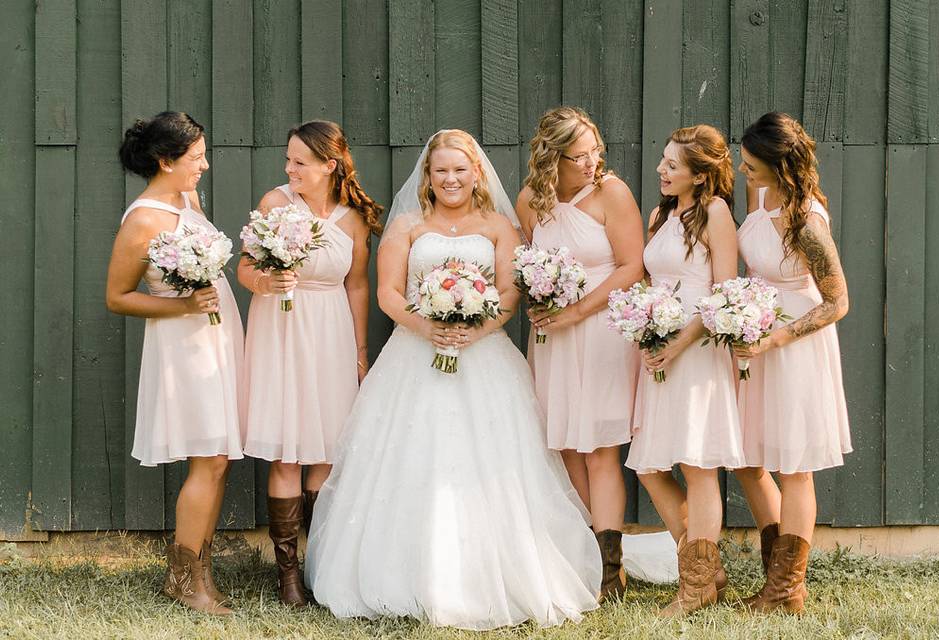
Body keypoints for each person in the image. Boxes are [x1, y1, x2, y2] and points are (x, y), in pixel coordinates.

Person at [303, 130, 601, 629]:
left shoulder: (501, 227)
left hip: (484, 355)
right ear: (428, 176)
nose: (450, 179)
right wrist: (429, 327)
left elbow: (508, 295)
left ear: (477, 173)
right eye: (441, 170)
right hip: (413, 355)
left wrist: (472, 331)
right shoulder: (407, 225)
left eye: (459, 169)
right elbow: (389, 294)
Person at [239, 120, 382, 606]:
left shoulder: (354, 218)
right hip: (280, 328)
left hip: (331, 331)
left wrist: (360, 351)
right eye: (288, 160)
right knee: (286, 449)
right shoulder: (275, 204)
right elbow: (244, 266)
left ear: (330, 165)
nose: (290, 169)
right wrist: (264, 282)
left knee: (325, 450)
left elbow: (357, 284)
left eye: (300, 162)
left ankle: (321, 566)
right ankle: (288, 576)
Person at [106, 111, 243, 615]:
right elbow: (118, 297)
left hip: (217, 334)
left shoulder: (186, 199)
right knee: (207, 457)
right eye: (196, 157)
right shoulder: (142, 219)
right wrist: (181, 305)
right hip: (184, 342)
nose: (204, 165)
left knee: (220, 455)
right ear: (165, 160)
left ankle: (198, 571)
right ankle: (186, 582)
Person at [516, 106, 645, 600]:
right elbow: (526, 262)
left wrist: (577, 311)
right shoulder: (531, 200)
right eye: (579, 156)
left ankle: (610, 574)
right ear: (552, 158)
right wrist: (540, 295)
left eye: (596, 152)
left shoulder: (611, 193)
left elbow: (632, 266)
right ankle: (587, 556)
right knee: (566, 444)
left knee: (599, 449)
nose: (591, 163)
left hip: (601, 330)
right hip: (553, 337)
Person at [624, 124, 745, 616]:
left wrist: (678, 343)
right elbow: (654, 281)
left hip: (696, 351)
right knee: (651, 465)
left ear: (700, 175)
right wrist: (645, 329)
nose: (661, 170)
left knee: (697, 467)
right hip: (659, 349)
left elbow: (723, 292)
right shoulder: (659, 214)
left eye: (673, 165)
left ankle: (694, 588)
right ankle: (703, 565)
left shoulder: (715, 214)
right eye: (663, 160)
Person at [733, 111, 851, 614]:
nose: (743, 170)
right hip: (755, 334)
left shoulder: (806, 221)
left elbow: (837, 302)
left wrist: (776, 339)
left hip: (794, 347)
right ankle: (772, 574)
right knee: (746, 458)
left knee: (794, 466)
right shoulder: (759, 197)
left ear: (779, 167)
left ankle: (786, 589)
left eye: (751, 164)